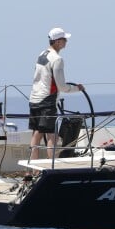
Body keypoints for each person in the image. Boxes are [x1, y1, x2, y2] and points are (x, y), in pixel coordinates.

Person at [29, 27, 85, 161]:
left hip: (34, 99)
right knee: (52, 136)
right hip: (48, 101)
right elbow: (62, 87)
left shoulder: (42, 54)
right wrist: (78, 88)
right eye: (64, 39)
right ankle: (53, 167)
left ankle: (32, 169)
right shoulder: (57, 59)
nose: (66, 41)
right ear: (58, 41)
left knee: (36, 134)